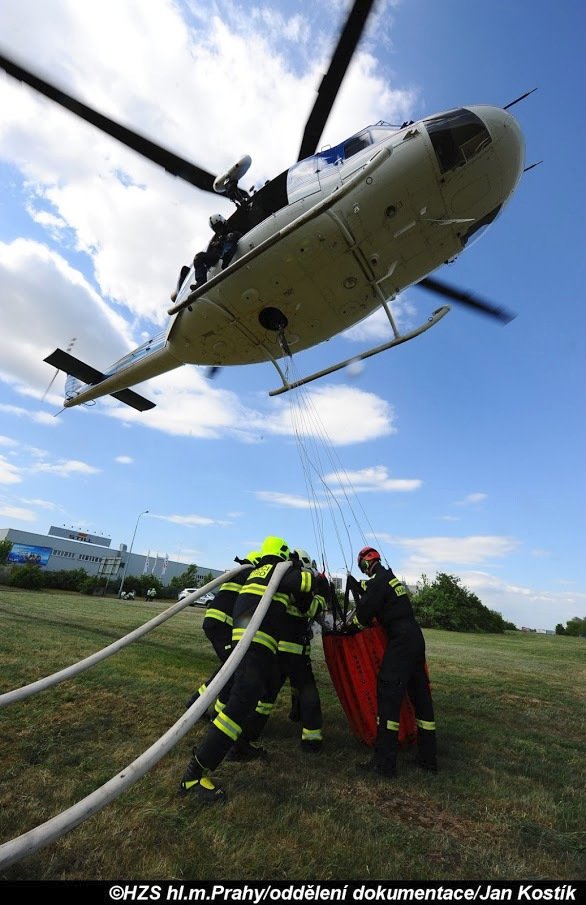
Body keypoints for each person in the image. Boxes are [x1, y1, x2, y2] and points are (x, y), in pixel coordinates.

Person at [178, 536, 327, 803]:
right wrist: (311, 575)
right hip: (255, 648)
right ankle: (195, 774)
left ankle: (239, 745)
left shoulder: (260, 572)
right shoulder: (278, 571)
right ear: (283, 555)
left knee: (250, 700)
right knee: (237, 709)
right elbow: (305, 584)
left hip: (254, 648)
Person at [350, 546, 437, 778]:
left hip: (401, 643)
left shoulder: (378, 582)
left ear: (366, 564)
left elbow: (362, 618)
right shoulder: (390, 579)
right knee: (420, 697)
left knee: (388, 695)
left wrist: (350, 627)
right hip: (416, 640)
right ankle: (428, 759)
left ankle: (384, 764)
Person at [242, 548, 325, 753]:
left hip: (277, 649)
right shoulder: (301, 582)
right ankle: (312, 739)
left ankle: (252, 730)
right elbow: (311, 610)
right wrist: (322, 595)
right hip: (296, 651)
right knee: (308, 692)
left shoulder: (282, 581)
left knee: (267, 694)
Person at [184, 551, 261, 711]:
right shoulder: (248, 574)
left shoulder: (239, 573)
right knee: (231, 668)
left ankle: (203, 704)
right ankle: (202, 704)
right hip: (221, 625)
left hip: (216, 623)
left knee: (229, 667)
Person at [169, 214, 242, 302]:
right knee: (199, 257)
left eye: (219, 226)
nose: (219, 230)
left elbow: (236, 236)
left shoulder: (232, 231)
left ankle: (227, 257)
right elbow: (210, 252)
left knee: (231, 237)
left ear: (223, 223)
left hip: (229, 249)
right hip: (217, 257)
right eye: (216, 228)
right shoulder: (215, 240)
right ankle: (200, 282)